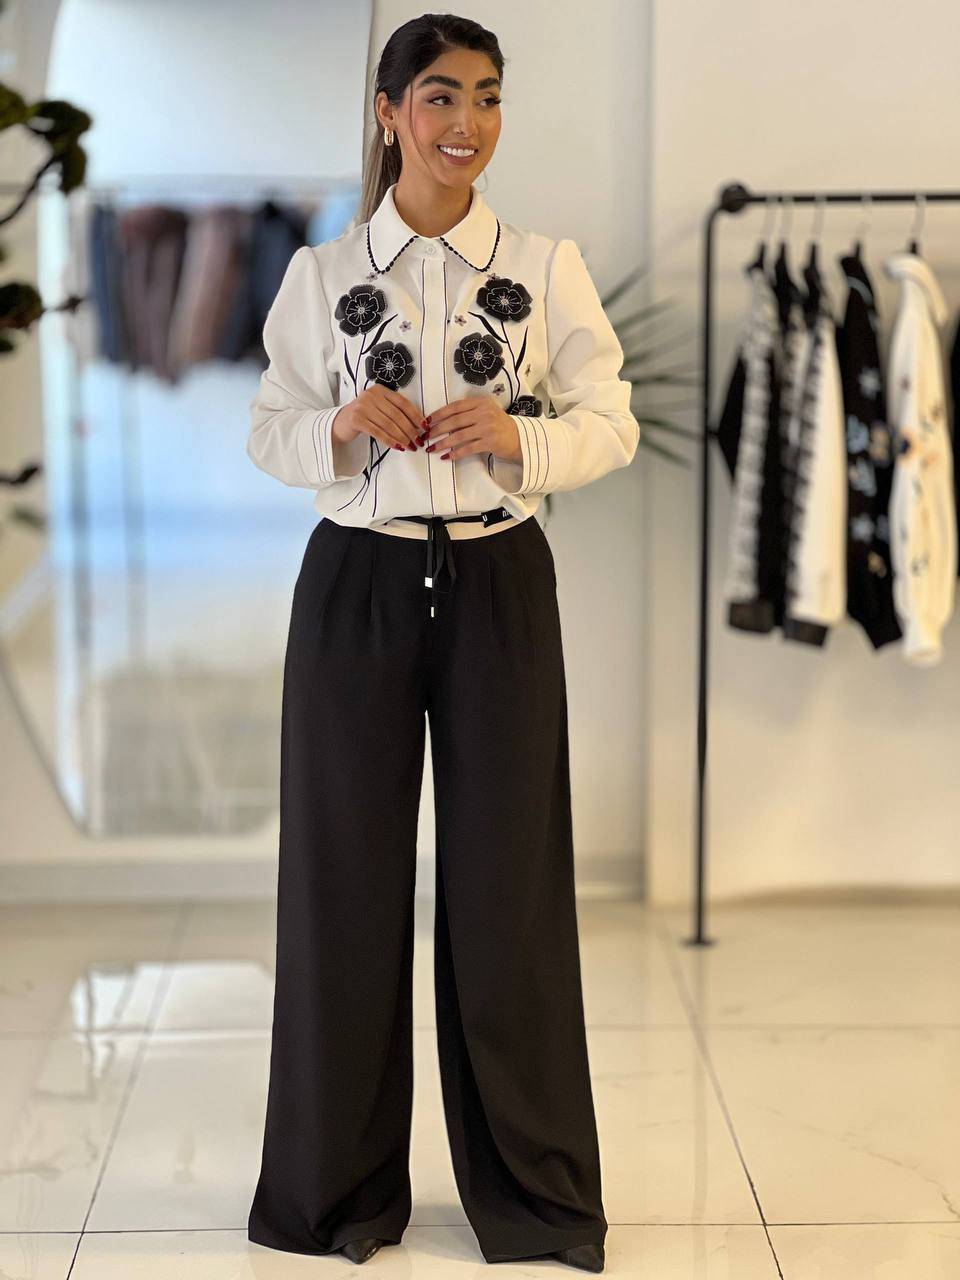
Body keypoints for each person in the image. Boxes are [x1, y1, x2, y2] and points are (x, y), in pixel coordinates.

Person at [245, 12, 639, 1272]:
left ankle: (533, 1199)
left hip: (498, 584)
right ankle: (335, 1194)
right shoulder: (321, 274)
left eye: (487, 97)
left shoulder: (543, 264)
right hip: (354, 586)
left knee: (509, 893)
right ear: (389, 111)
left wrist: (521, 437)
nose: (467, 124)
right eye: (440, 97)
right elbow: (268, 426)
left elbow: (611, 419)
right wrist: (339, 426)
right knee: (343, 887)